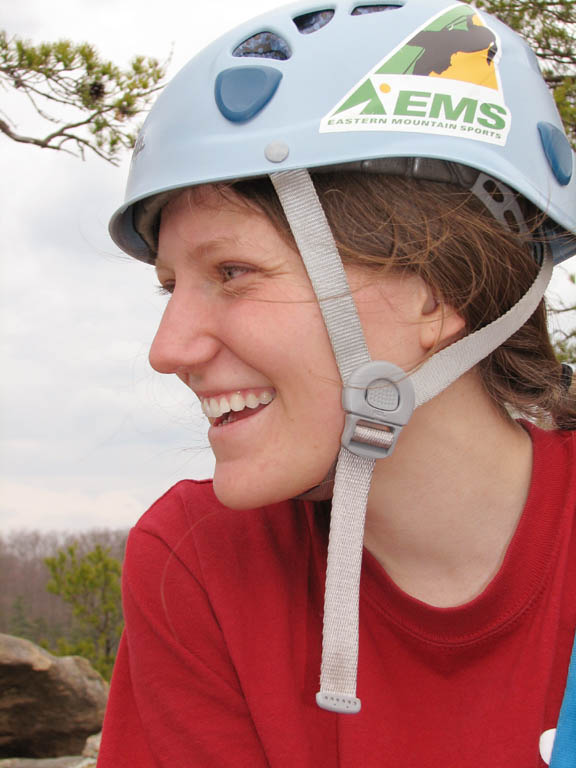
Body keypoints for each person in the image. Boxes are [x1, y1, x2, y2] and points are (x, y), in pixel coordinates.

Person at [98, 1, 576, 765]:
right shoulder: (204, 565)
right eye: (170, 287)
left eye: (232, 272)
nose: (168, 349)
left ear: (436, 290)